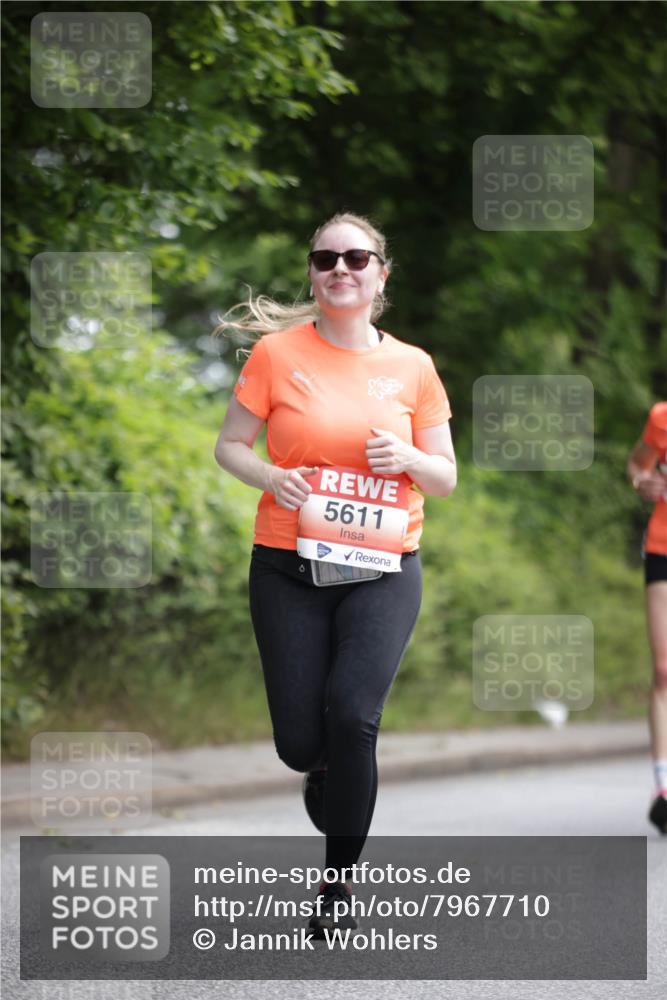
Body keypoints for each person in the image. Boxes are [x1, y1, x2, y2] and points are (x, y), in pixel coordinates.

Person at [212, 212, 456, 937]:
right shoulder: (276, 354)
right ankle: (322, 771)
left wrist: (409, 461)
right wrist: (270, 476)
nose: (340, 269)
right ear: (313, 274)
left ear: (381, 274)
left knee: (353, 715)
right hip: (287, 564)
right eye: (326, 259)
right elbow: (229, 446)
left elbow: (444, 478)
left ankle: (336, 886)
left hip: (382, 567)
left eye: (356, 258)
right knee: (299, 743)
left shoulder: (412, 366)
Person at [626, 401, 667, 834]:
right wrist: (643, 482)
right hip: (663, 547)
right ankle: (664, 789)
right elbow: (637, 464)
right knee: (663, 670)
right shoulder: (661, 419)